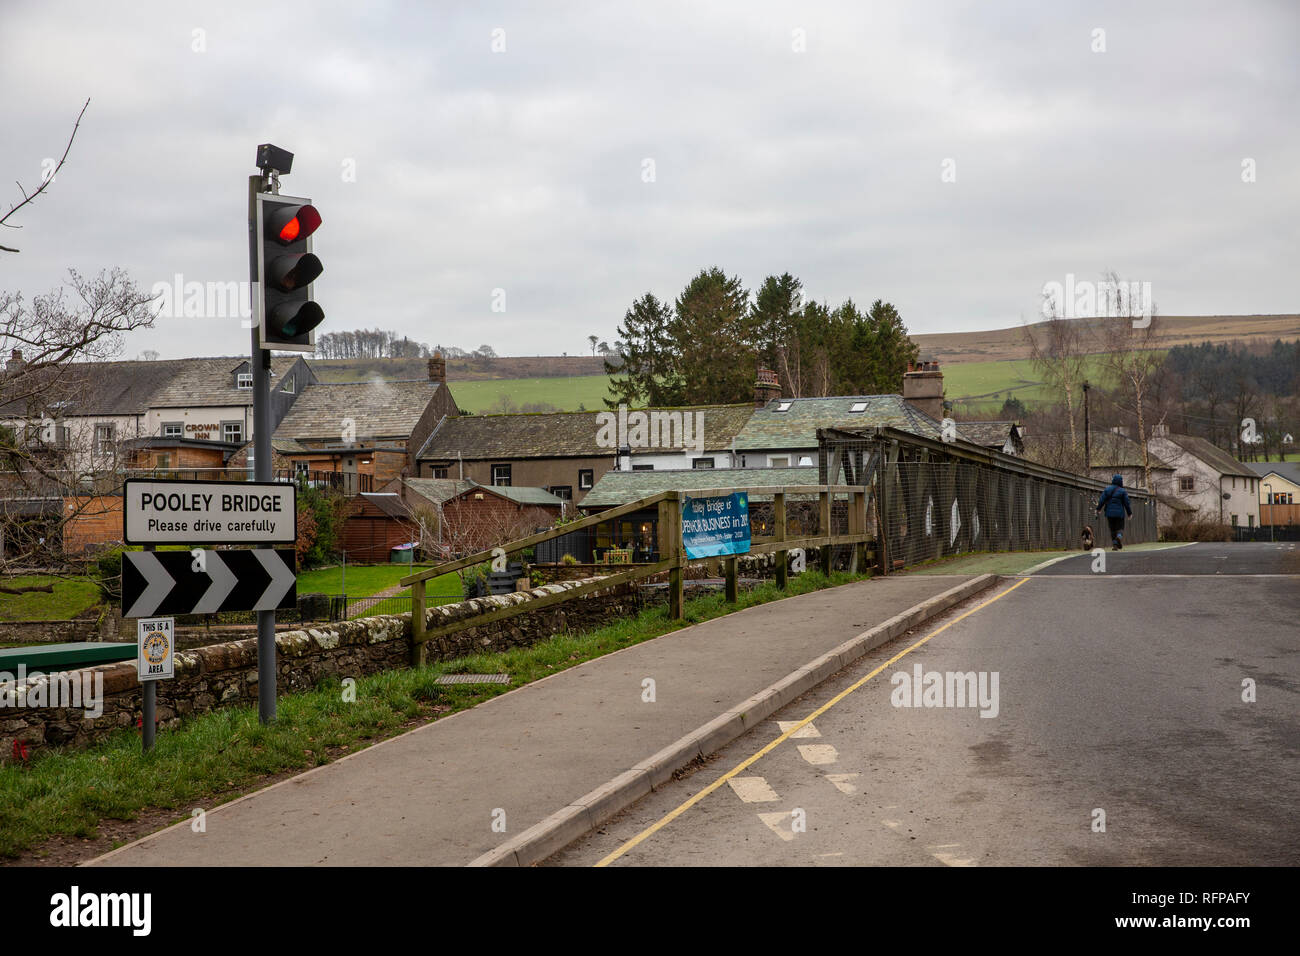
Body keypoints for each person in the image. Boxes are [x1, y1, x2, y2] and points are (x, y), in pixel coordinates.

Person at [1095, 473, 1133, 550]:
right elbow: (1127, 503)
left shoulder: (1107, 489)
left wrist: (1098, 509)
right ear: (1121, 482)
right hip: (1119, 514)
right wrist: (1129, 513)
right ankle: (1119, 537)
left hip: (1109, 513)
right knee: (1120, 528)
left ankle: (1115, 545)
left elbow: (1102, 500)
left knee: (1112, 529)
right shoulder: (1123, 491)